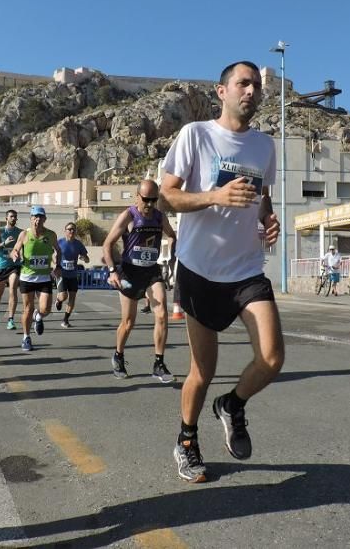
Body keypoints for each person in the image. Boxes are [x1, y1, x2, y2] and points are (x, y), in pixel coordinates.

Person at [161, 60, 283, 484]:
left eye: (256, 85)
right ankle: (187, 440)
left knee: (271, 358)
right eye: (242, 84)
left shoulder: (265, 146)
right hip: (199, 270)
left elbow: (261, 198)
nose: (251, 91)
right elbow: (167, 198)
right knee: (202, 372)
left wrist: (269, 220)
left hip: (247, 269)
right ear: (222, 91)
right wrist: (214, 195)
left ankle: (232, 405)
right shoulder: (196, 135)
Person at [102, 179, 177, 382]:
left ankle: (159, 364)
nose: (150, 204)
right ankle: (118, 355)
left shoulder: (160, 217)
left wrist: (171, 257)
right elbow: (107, 244)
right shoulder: (128, 216)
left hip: (152, 271)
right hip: (129, 272)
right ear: (137, 197)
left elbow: (172, 235)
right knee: (128, 322)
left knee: (161, 313)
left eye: (154, 200)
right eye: (146, 200)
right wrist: (112, 271)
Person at [10, 206, 61, 351]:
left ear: (45, 219)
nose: (37, 219)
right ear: (31, 218)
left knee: (46, 309)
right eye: (35, 217)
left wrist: (58, 266)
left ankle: (38, 316)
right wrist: (14, 254)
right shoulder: (24, 234)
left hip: (44, 277)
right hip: (27, 277)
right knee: (28, 308)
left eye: (40, 217)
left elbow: (59, 250)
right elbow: (15, 249)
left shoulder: (51, 235)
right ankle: (26, 337)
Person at [0, 209, 23, 330]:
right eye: (11, 216)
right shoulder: (0, 231)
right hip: (1, 266)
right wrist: (4, 243)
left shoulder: (20, 232)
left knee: (13, 289)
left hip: (14, 265)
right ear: (6, 218)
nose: (14, 218)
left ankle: (11, 320)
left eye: (15, 217)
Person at [55, 222, 90, 328]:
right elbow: (52, 255)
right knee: (63, 296)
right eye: (69, 229)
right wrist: (56, 265)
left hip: (73, 275)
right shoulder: (59, 242)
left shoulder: (78, 244)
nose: (71, 231)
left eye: (73, 229)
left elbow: (87, 259)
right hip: (61, 274)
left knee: (72, 298)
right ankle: (58, 300)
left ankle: (65, 320)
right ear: (65, 231)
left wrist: (84, 258)